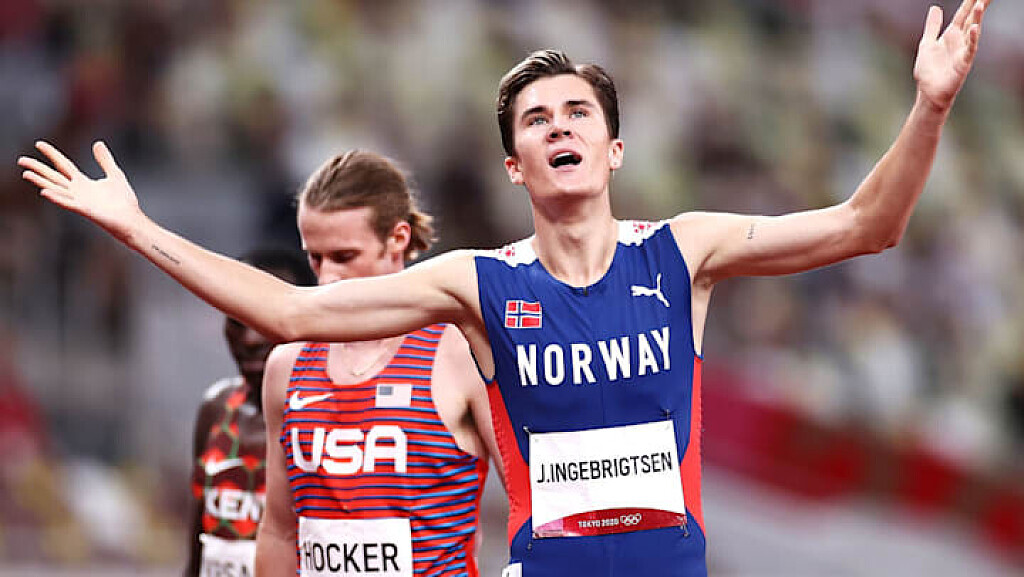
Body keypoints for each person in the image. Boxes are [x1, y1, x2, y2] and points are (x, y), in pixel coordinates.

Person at [18, 1, 991, 574]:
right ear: (515, 166)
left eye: (578, 111)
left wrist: (929, 107)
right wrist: (138, 227)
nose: (558, 124)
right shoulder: (478, 286)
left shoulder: (682, 250)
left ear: (614, 149)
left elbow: (868, 225)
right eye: (535, 118)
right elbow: (288, 311)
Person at [255, 150, 500, 576]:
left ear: (398, 238)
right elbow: (278, 529)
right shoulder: (287, 366)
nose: (326, 277)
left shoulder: (459, 354)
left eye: (344, 256)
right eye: (315, 257)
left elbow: (529, 502)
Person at [186, 248, 316, 577]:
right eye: (236, 319)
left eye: (263, 319)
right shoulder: (216, 410)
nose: (251, 338)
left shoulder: (325, 420)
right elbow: (196, 554)